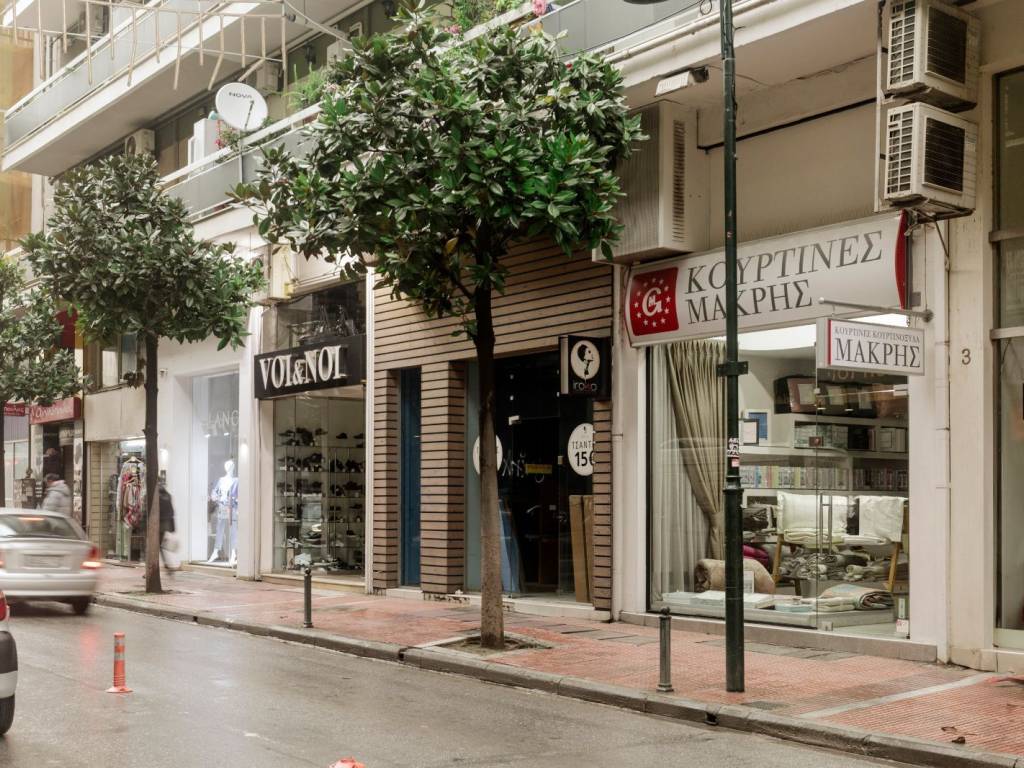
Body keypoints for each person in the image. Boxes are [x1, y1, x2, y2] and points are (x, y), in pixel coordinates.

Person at [158, 485, 179, 573]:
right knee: (159, 545)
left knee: (157, 545)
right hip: (167, 524)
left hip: (159, 524)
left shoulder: (158, 497)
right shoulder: (168, 496)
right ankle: (166, 564)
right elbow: (172, 512)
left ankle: (166, 564)